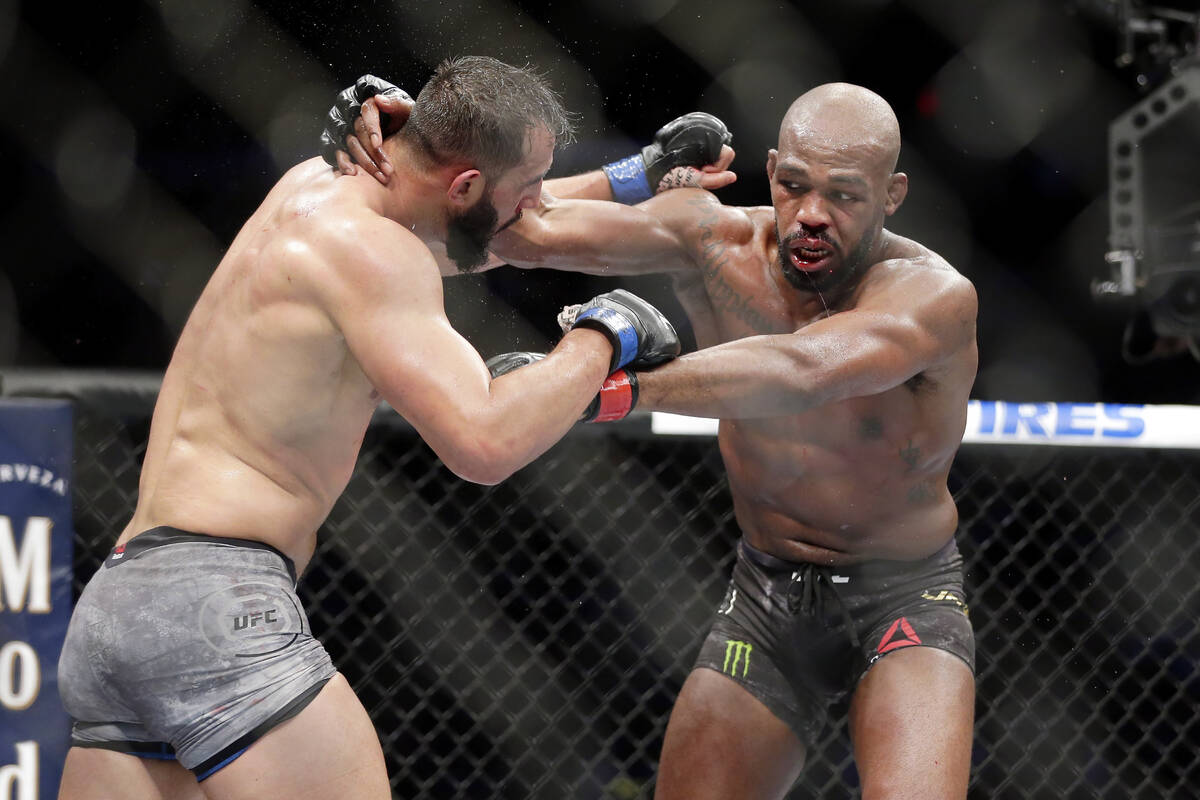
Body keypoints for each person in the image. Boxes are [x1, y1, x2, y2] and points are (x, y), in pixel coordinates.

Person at [54, 56, 685, 800]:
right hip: (217, 610)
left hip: (119, 609)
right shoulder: (382, 257)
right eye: (530, 188)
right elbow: (483, 442)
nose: (539, 208)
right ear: (466, 186)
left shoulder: (309, 190)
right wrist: (603, 334)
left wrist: (634, 178)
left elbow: (487, 225)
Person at [339, 79, 979, 799]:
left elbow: (803, 368)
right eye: (795, 187)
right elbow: (522, 233)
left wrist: (610, 389)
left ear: (891, 195)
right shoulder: (714, 240)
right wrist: (412, 152)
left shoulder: (933, 295)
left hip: (902, 596)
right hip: (765, 594)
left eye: (845, 196)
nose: (812, 216)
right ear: (770, 171)